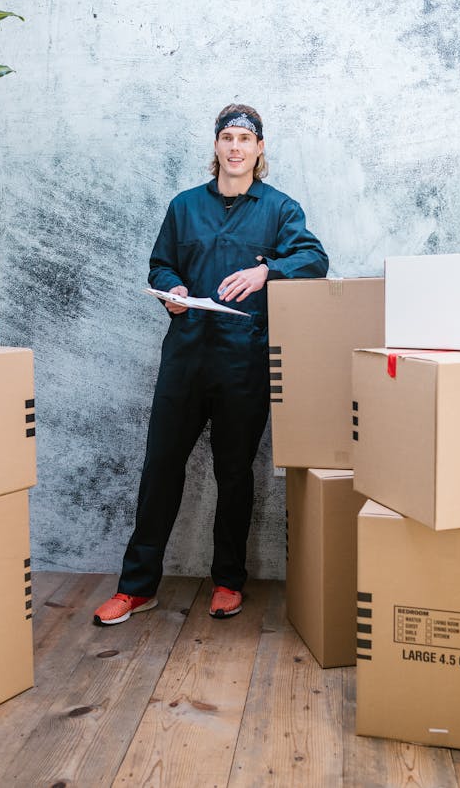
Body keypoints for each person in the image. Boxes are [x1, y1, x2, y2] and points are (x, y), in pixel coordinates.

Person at [94, 104, 329, 625]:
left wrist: (267, 271)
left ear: (259, 149)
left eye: (246, 138)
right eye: (228, 137)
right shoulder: (184, 207)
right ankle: (137, 588)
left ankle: (227, 581)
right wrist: (171, 290)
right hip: (185, 358)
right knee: (160, 468)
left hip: (243, 362)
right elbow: (161, 263)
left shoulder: (280, 209)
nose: (236, 147)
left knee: (234, 474)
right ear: (216, 147)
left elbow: (315, 258)